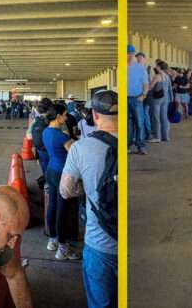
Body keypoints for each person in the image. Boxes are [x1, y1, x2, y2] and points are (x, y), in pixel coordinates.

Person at [60, 89, 118, 308]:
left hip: (100, 243)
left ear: (94, 114)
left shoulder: (80, 148)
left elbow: (65, 191)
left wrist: (88, 190)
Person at [42, 103, 80, 260]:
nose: (66, 117)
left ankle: (53, 240)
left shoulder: (46, 132)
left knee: (53, 206)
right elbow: (75, 155)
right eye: (64, 115)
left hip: (51, 170)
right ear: (58, 117)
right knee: (63, 210)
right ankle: (63, 247)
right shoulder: (62, 136)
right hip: (62, 173)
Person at [127, 45, 149, 155]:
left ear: (132, 54)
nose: (128, 56)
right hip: (125, 99)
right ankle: (128, 145)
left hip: (137, 98)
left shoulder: (140, 68)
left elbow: (146, 84)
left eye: (130, 53)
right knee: (128, 124)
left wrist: (144, 95)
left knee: (139, 123)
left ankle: (141, 146)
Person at [148, 61, 172, 143]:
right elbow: (169, 89)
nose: (155, 67)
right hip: (165, 99)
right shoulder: (167, 76)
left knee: (156, 118)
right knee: (164, 117)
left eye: (157, 66)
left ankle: (157, 136)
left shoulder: (157, 76)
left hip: (156, 99)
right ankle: (165, 136)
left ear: (159, 67)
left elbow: (150, 87)